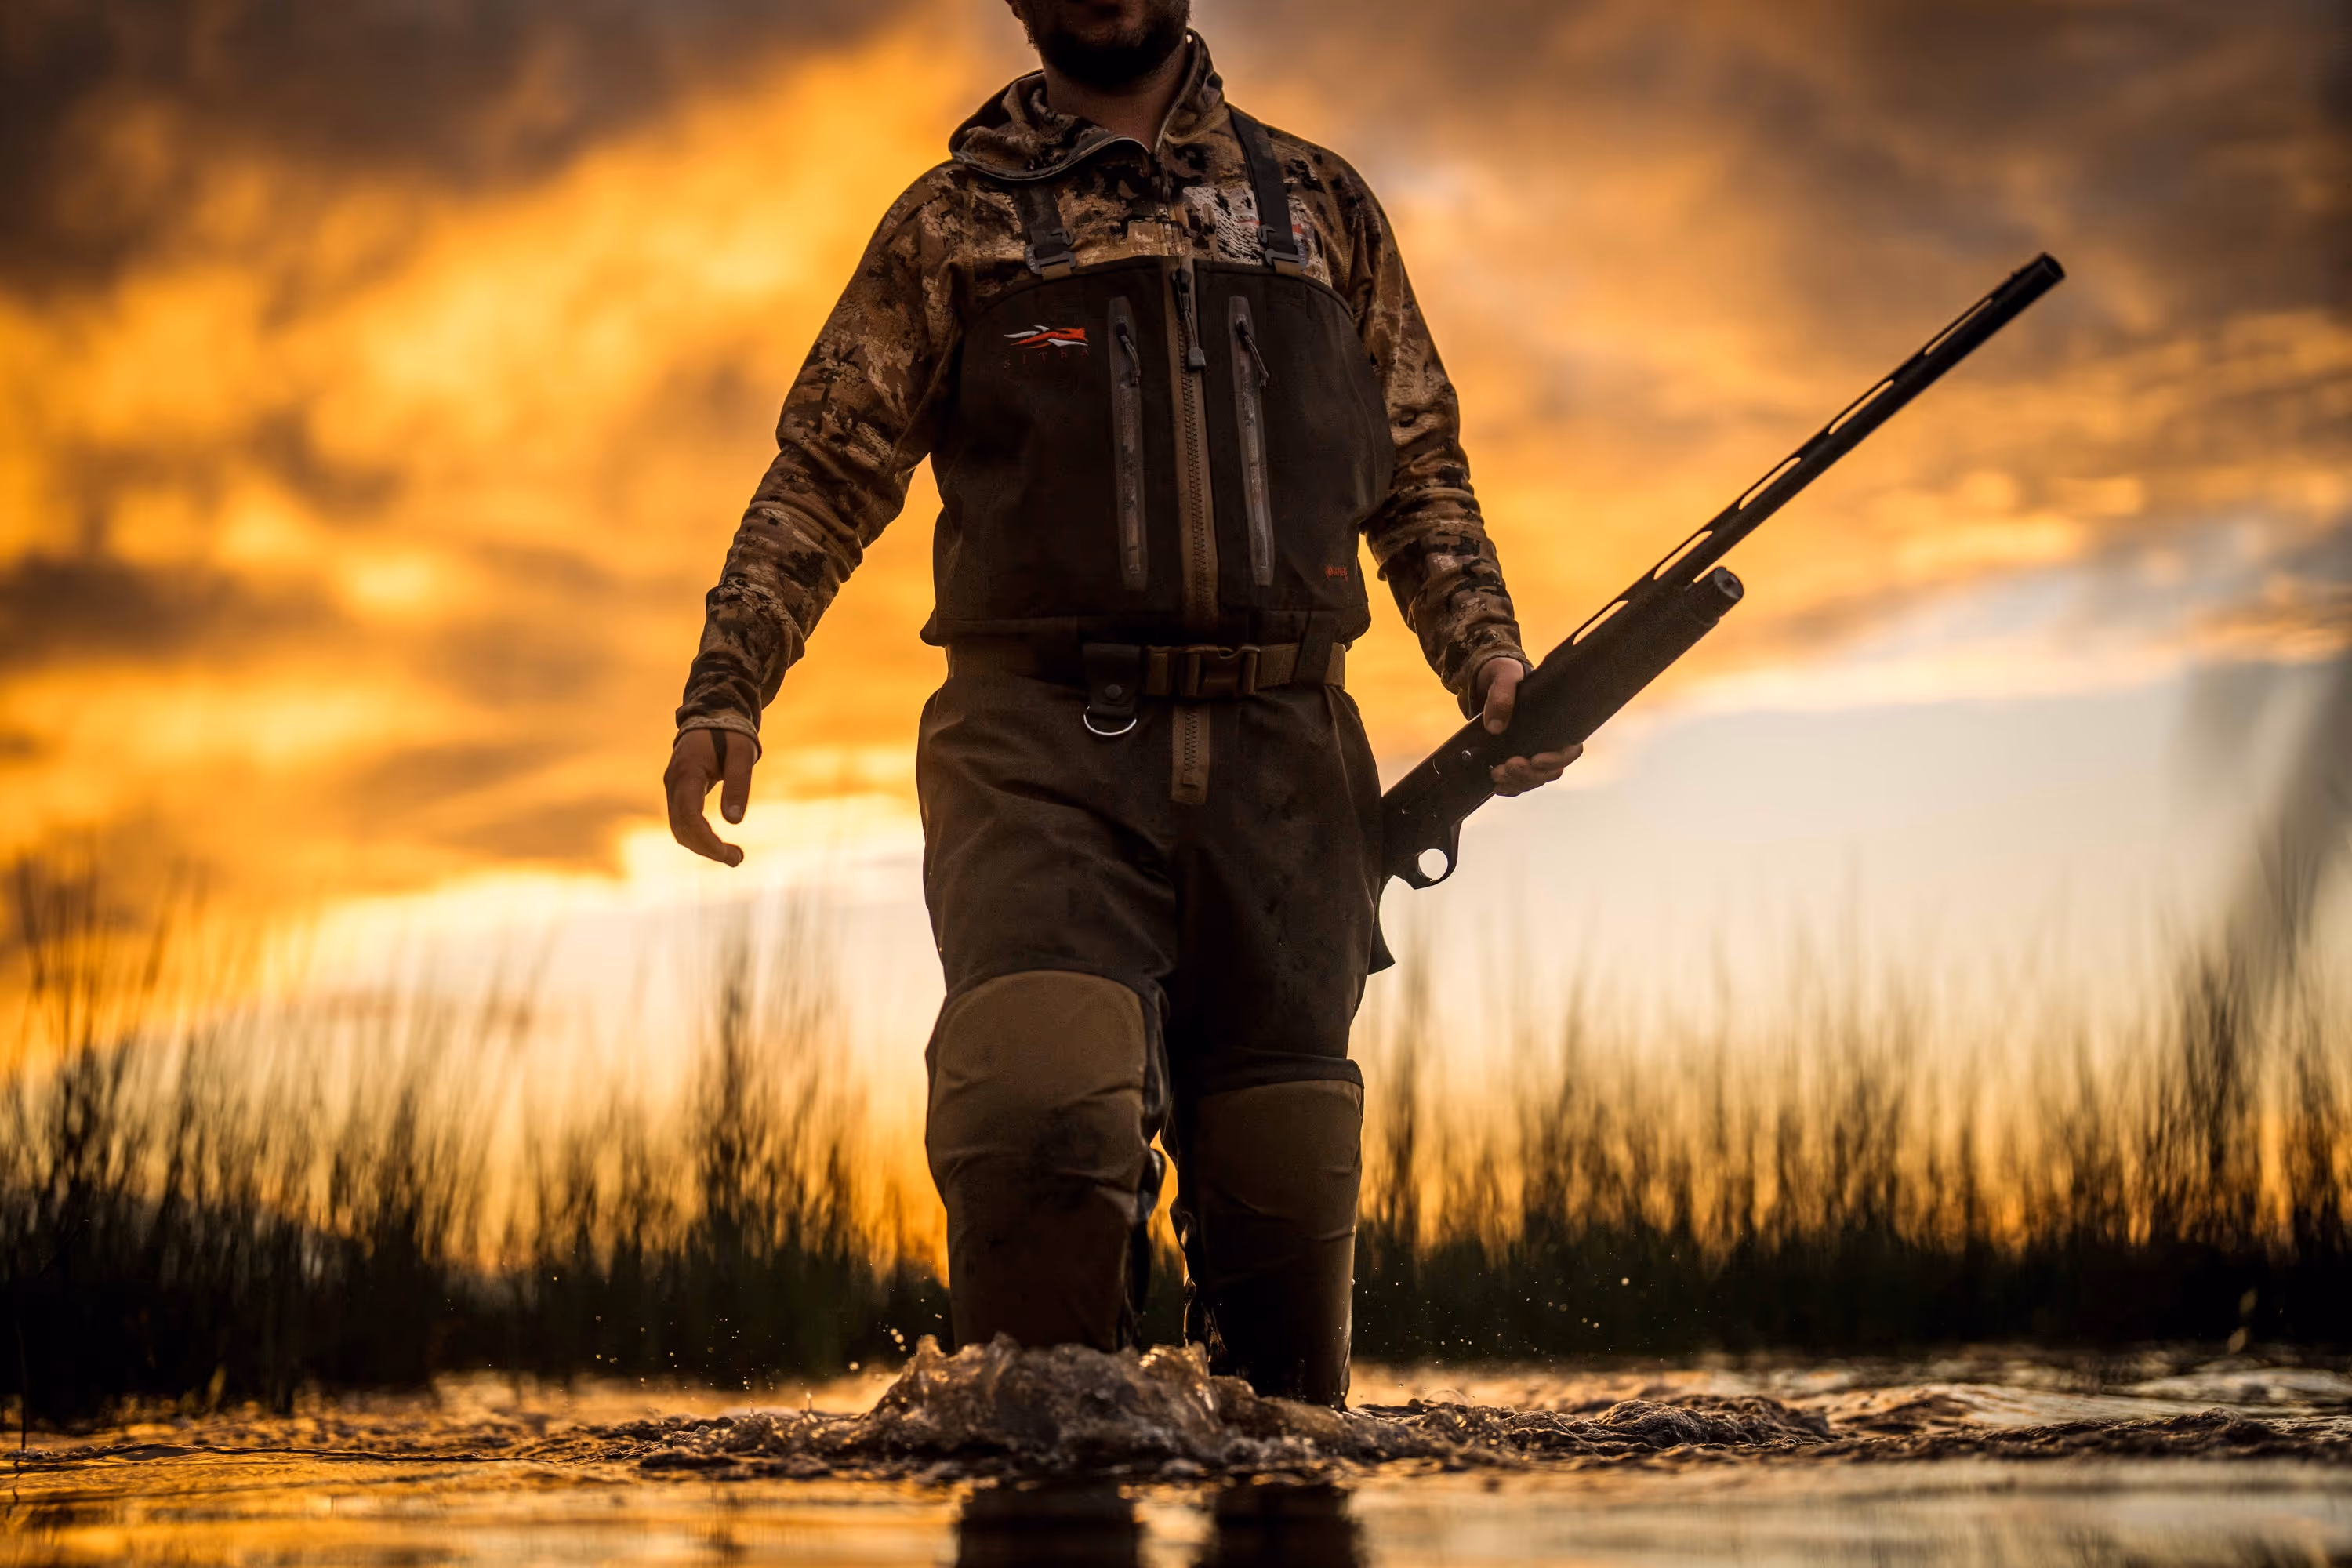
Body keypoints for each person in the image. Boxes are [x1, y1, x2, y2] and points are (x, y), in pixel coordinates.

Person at [663, 0, 1575, 1406]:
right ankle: (1041, 1482)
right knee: (1042, 1109)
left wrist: (1493, 664)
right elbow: (826, 471)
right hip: (1039, 756)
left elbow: (1420, 478)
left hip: (1287, 773)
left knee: (1286, 1269)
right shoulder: (952, 223)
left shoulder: (1322, 209)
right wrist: (731, 680)